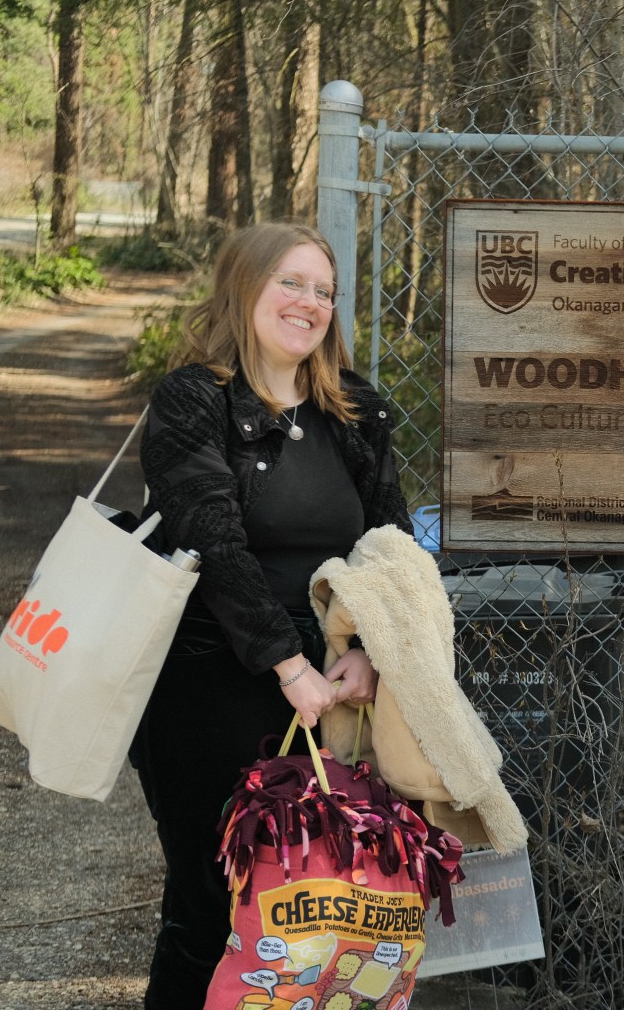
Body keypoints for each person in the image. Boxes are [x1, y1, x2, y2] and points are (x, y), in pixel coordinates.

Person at [129, 221, 413, 1008]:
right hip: (209, 681)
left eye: (324, 290)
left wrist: (367, 652)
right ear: (245, 285)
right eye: (291, 282)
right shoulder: (194, 400)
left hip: (336, 689)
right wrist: (288, 664)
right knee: (212, 906)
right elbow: (211, 541)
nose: (309, 302)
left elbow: (390, 547)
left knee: (317, 910)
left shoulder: (357, 411)